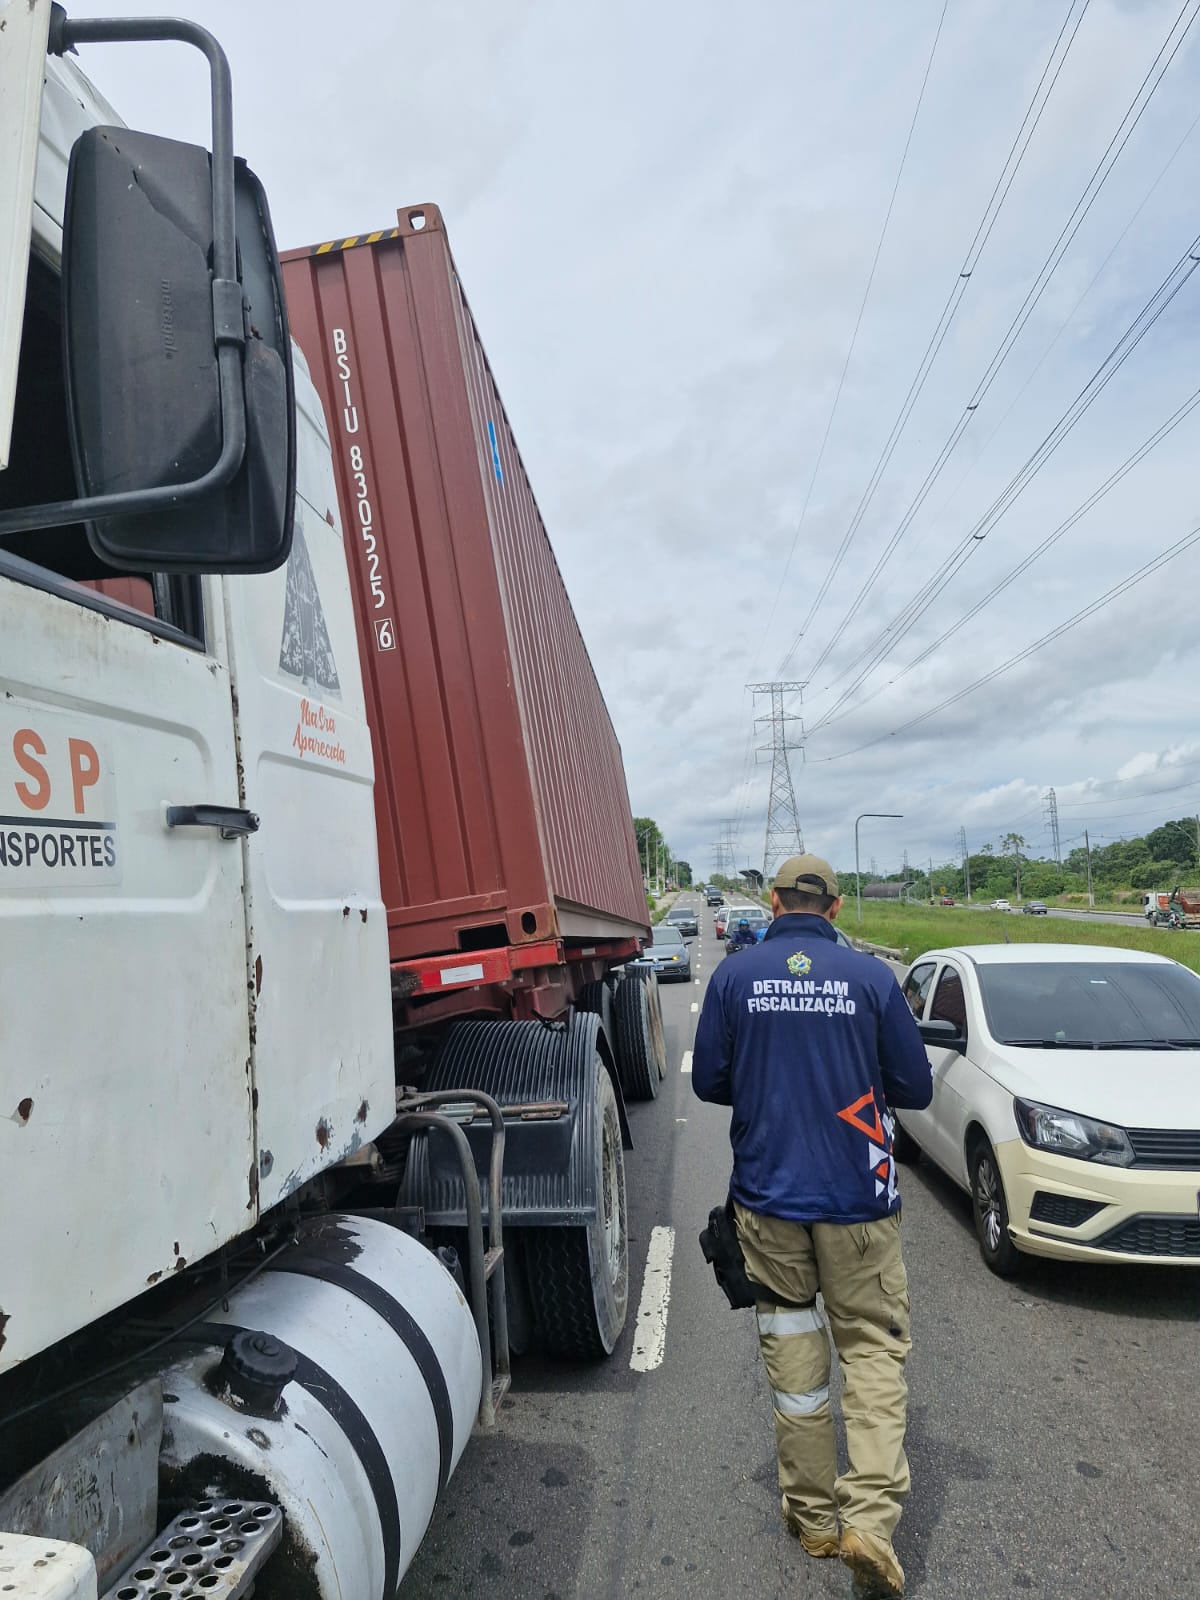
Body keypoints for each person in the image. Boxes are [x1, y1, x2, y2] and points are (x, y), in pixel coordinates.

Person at [692, 854, 932, 1600]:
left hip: (768, 1204)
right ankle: (869, 1524)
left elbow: (707, 1082)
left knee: (796, 1364)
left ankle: (816, 1521)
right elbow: (916, 1088)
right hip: (860, 1204)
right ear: (831, 908)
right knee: (871, 1354)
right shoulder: (870, 980)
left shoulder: (734, 977)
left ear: (772, 903)